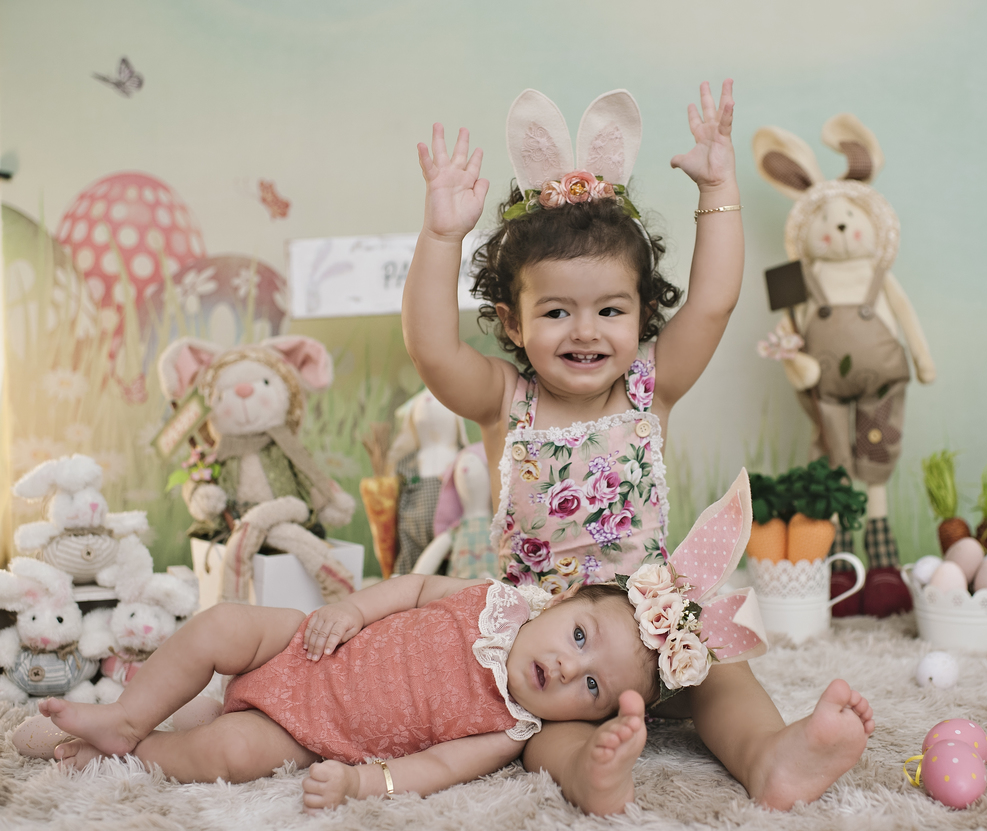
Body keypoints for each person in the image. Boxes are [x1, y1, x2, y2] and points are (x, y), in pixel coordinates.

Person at [401, 78, 876, 816]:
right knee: (533, 728)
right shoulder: (505, 399)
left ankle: (768, 755)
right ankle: (592, 770)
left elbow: (714, 300)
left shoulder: (651, 387)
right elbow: (431, 349)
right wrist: (439, 238)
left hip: (654, 625)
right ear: (512, 322)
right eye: (556, 311)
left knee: (716, 672)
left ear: (645, 313)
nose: (585, 330)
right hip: (552, 643)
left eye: (610, 309)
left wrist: (718, 188)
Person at [38, 574, 660, 812]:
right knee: (225, 621)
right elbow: (415, 589)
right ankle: (127, 715)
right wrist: (352, 610)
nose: (567, 664)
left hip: (308, 734)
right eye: (579, 635)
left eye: (592, 685)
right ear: (559, 601)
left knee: (227, 753)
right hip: (306, 646)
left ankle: (132, 754)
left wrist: (363, 784)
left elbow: (439, 766)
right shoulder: (494, 598)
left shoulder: (510, 728)